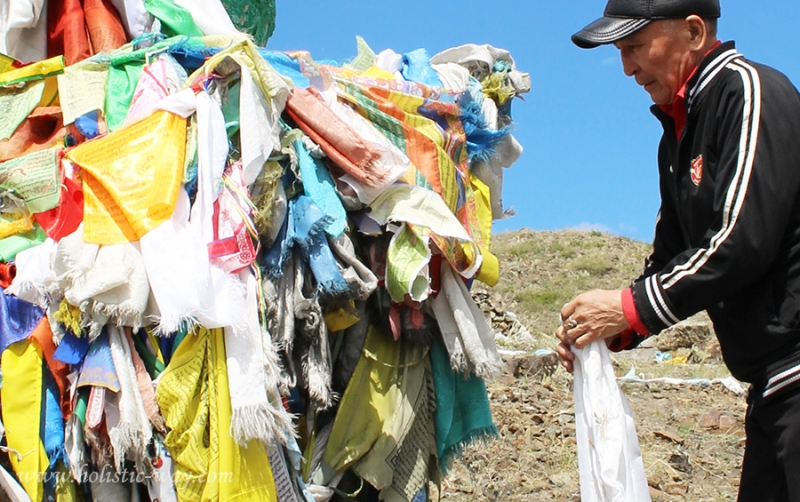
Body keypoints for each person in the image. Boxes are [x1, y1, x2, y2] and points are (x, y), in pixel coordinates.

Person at [559, 1, 800, 500]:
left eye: (633, 46)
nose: (626, 67)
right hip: (772, 393)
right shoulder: (677, 135)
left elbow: (740, 241)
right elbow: (671, 255)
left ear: (693, 32)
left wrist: (626, 308)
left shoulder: (747, 92)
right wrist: (614, 329)